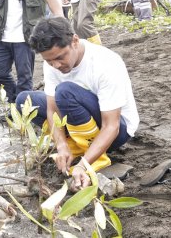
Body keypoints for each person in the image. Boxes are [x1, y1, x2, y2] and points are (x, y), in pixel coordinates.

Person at [16, 17, 139, 191]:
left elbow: (112, 126)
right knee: (24, 101)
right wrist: (61, 145)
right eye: (49, 61)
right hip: (78, 115)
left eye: (60, 58)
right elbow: (52, 111)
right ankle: (73, 146)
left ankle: (93, 157)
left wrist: (83, 166)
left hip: (117, 130)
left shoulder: (105, 63)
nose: (56, 65)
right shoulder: (52, 63)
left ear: (74, 41)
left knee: (65, 92)